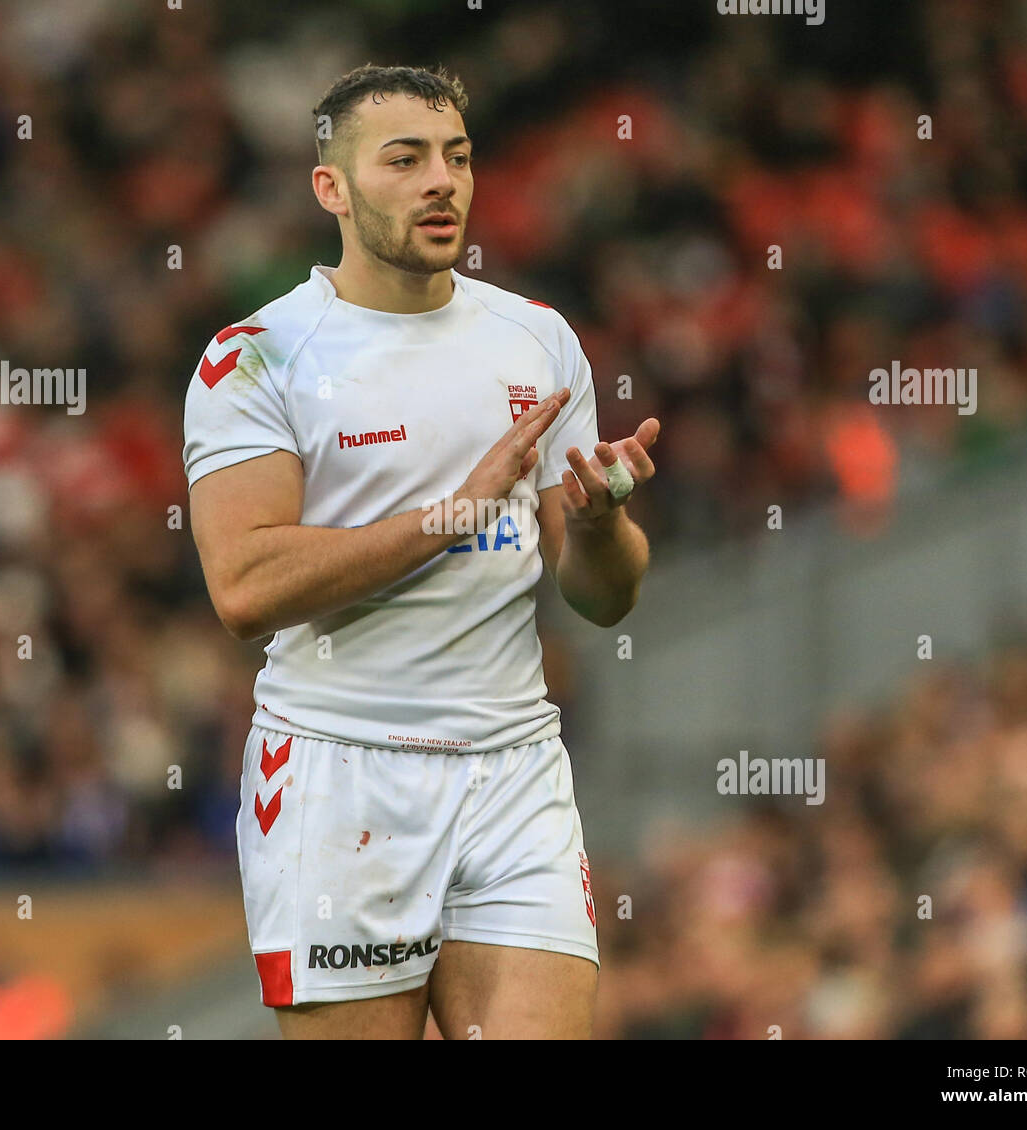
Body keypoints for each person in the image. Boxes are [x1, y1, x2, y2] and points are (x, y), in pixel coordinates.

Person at [183, 63, 659, 1039]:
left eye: (457, 157)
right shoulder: (260, 355)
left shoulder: (536, 339)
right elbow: (243, 586)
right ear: (334, 189)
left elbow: (601, 600)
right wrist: (450, 514)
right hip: (336, 775)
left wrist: (603, 524)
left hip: (512, 766)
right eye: (403, 159)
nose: (441, 181)